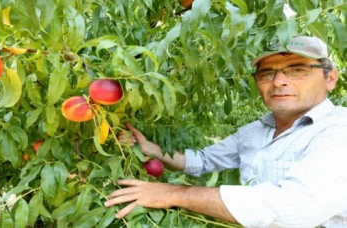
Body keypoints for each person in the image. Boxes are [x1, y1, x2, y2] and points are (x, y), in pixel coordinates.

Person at [104, 36, 347, 227]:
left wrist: (173, 193)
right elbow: (201, 161)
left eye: (297, 70)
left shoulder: (339, 129)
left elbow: (293, 209)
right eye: (267, 73)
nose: (278, 82)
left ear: (331, 78)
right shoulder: (253, 132)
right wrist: (150, 149)